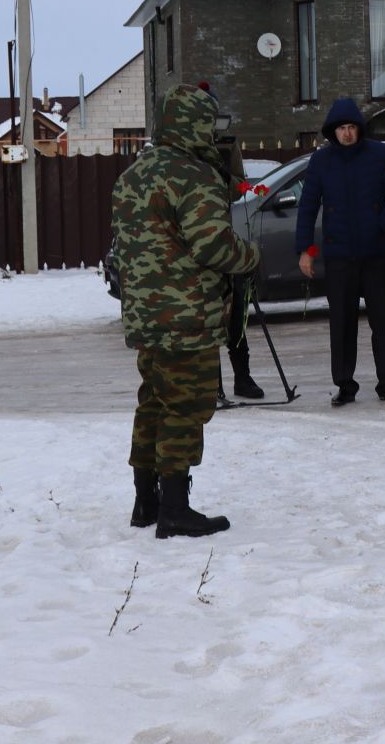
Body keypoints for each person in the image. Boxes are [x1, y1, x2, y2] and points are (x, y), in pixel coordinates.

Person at [113, 84, 263, 538]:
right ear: (195, 124)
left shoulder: (134, 173)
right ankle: (175, 510)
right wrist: (251, 257)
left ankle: (146, 503)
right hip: (187, 316)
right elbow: (213, 246)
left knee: (154, 401)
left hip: (145, 315)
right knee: (185, 406)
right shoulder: (193, 175)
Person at [296, 97, 385, 406]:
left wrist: (379, 225)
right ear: (332, 132)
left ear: (359, 129)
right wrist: (305, 250)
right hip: (339, 256)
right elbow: (307, 207)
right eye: (340, 129)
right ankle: (345, 385)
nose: (346, 134)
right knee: (342, 324)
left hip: (375, 255)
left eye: (351, 128)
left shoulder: (379, 154)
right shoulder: (321, 161)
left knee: (382, 322)